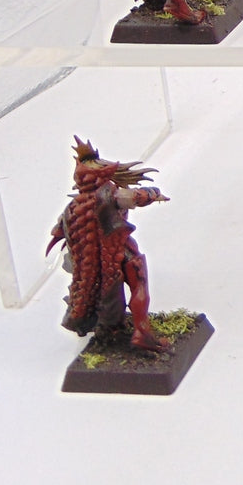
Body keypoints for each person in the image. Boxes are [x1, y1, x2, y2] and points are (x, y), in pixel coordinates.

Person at [47, 138, 169, 352]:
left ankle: (117, 329)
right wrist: (154, 193)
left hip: (104, 256)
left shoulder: (73, 206)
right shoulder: (111, 195)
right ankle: (141, 333)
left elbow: (58, 230)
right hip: (118, 252)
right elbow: (138, 197)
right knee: (138, 285)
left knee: (112, 292)